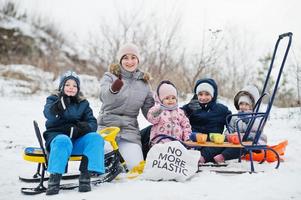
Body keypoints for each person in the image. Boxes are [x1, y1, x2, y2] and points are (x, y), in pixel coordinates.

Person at [43, 70, 105, 195]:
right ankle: (54, 178)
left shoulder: (83, 103)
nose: (71, 88)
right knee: (63, 140)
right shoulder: (53, 99)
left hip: (76, 140)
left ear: (78, 88)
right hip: (58, 138)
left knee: (96, 138)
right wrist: (57, 106)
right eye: (67, 84)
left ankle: (85, 175)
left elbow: (92, 122)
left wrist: (84, 128)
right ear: (61, 86)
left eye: (74, 85)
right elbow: (48, 114)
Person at [97, 43, 154, 170]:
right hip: (107, 128)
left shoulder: (144, 83)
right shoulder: (110, 77)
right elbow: (103, 97)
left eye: (133, 57)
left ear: (138, 60)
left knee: (135, 167)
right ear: (120, 60)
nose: (129, 61)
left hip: (129, 131)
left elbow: (149, 112)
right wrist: (113, 90)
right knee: (107, 164)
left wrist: (161, 109)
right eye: (125, 58)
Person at [212, 85, 268, 163]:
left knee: (240, 147)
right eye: (241, 104)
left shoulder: (256, 117)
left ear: (252, 106)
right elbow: (229, 129)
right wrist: (229, 135)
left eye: (246, 104)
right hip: (237, 141)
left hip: (253, 142)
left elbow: (258, 127)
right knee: (228, 145)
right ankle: (212, 155)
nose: (243, 106)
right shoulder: (235, 118)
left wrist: (248, 120)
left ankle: (223, 156)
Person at [181, 78, 231, 163]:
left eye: (207, 94)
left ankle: (202, 157)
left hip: (211, 143)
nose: (203, 97)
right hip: (194, 141)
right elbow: (177, 115)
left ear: (213, 95)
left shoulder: (221, 110)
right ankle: (191, 155)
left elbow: (232, 121)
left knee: (223, 143)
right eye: (200, 94)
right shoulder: (191, 106)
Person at [147, 80, 191, 145]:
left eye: (173, 98)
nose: (170, 100)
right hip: (160, 143)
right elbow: (152, 119)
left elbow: (186, 126)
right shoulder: (158, 109)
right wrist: (160, 109)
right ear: (160, 99)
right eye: (167, 98)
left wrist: (187, 138)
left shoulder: (180, 112)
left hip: (177, 143)